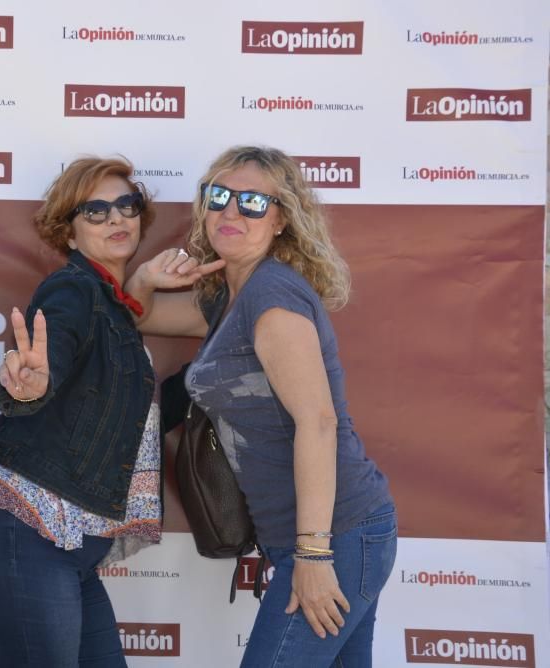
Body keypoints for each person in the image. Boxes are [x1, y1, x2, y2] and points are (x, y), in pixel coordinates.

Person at [125, 146, 396, 667]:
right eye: (219, 196)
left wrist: (314, 556)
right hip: (328, 536)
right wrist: (143, 281)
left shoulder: (272, 299)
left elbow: (317, 423)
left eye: (252, 202)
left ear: (281, 220)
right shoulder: (230, 298)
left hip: (336, 535)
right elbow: (144, 315)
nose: (231, 211)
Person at [0, 158, 202, 667]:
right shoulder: (72, 291)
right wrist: (31, 386)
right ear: (69, 234)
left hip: (71, 550)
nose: (115, 218)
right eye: (94, 211)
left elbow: (116, 419)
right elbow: (45, 363)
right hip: (29, 537)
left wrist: (143, 286)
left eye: (126, 205)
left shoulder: (114, 307)